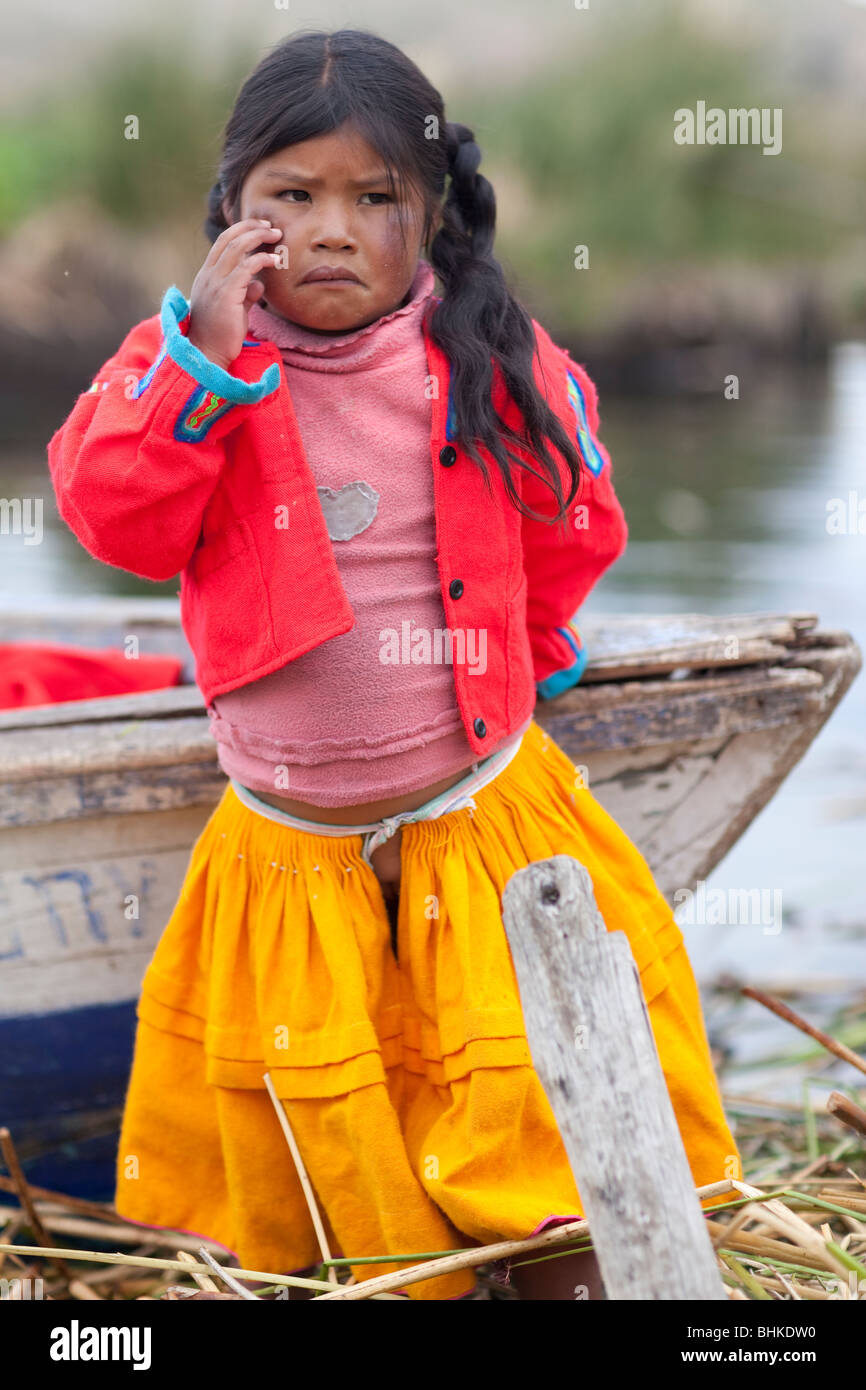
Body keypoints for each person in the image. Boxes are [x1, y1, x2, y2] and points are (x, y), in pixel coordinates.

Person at [47, 27, 740, 1301]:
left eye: (375, 200)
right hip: (287, 860)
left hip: (475, 826)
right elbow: (114, 520)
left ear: (429, 218)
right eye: (290, 198)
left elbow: (575, 513)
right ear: (227, 215)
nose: (330, 231)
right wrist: (195, 359)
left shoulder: (478, 357)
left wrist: (527, 654)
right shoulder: (191, 373)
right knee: (340, 1206)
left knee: (534, 1153)